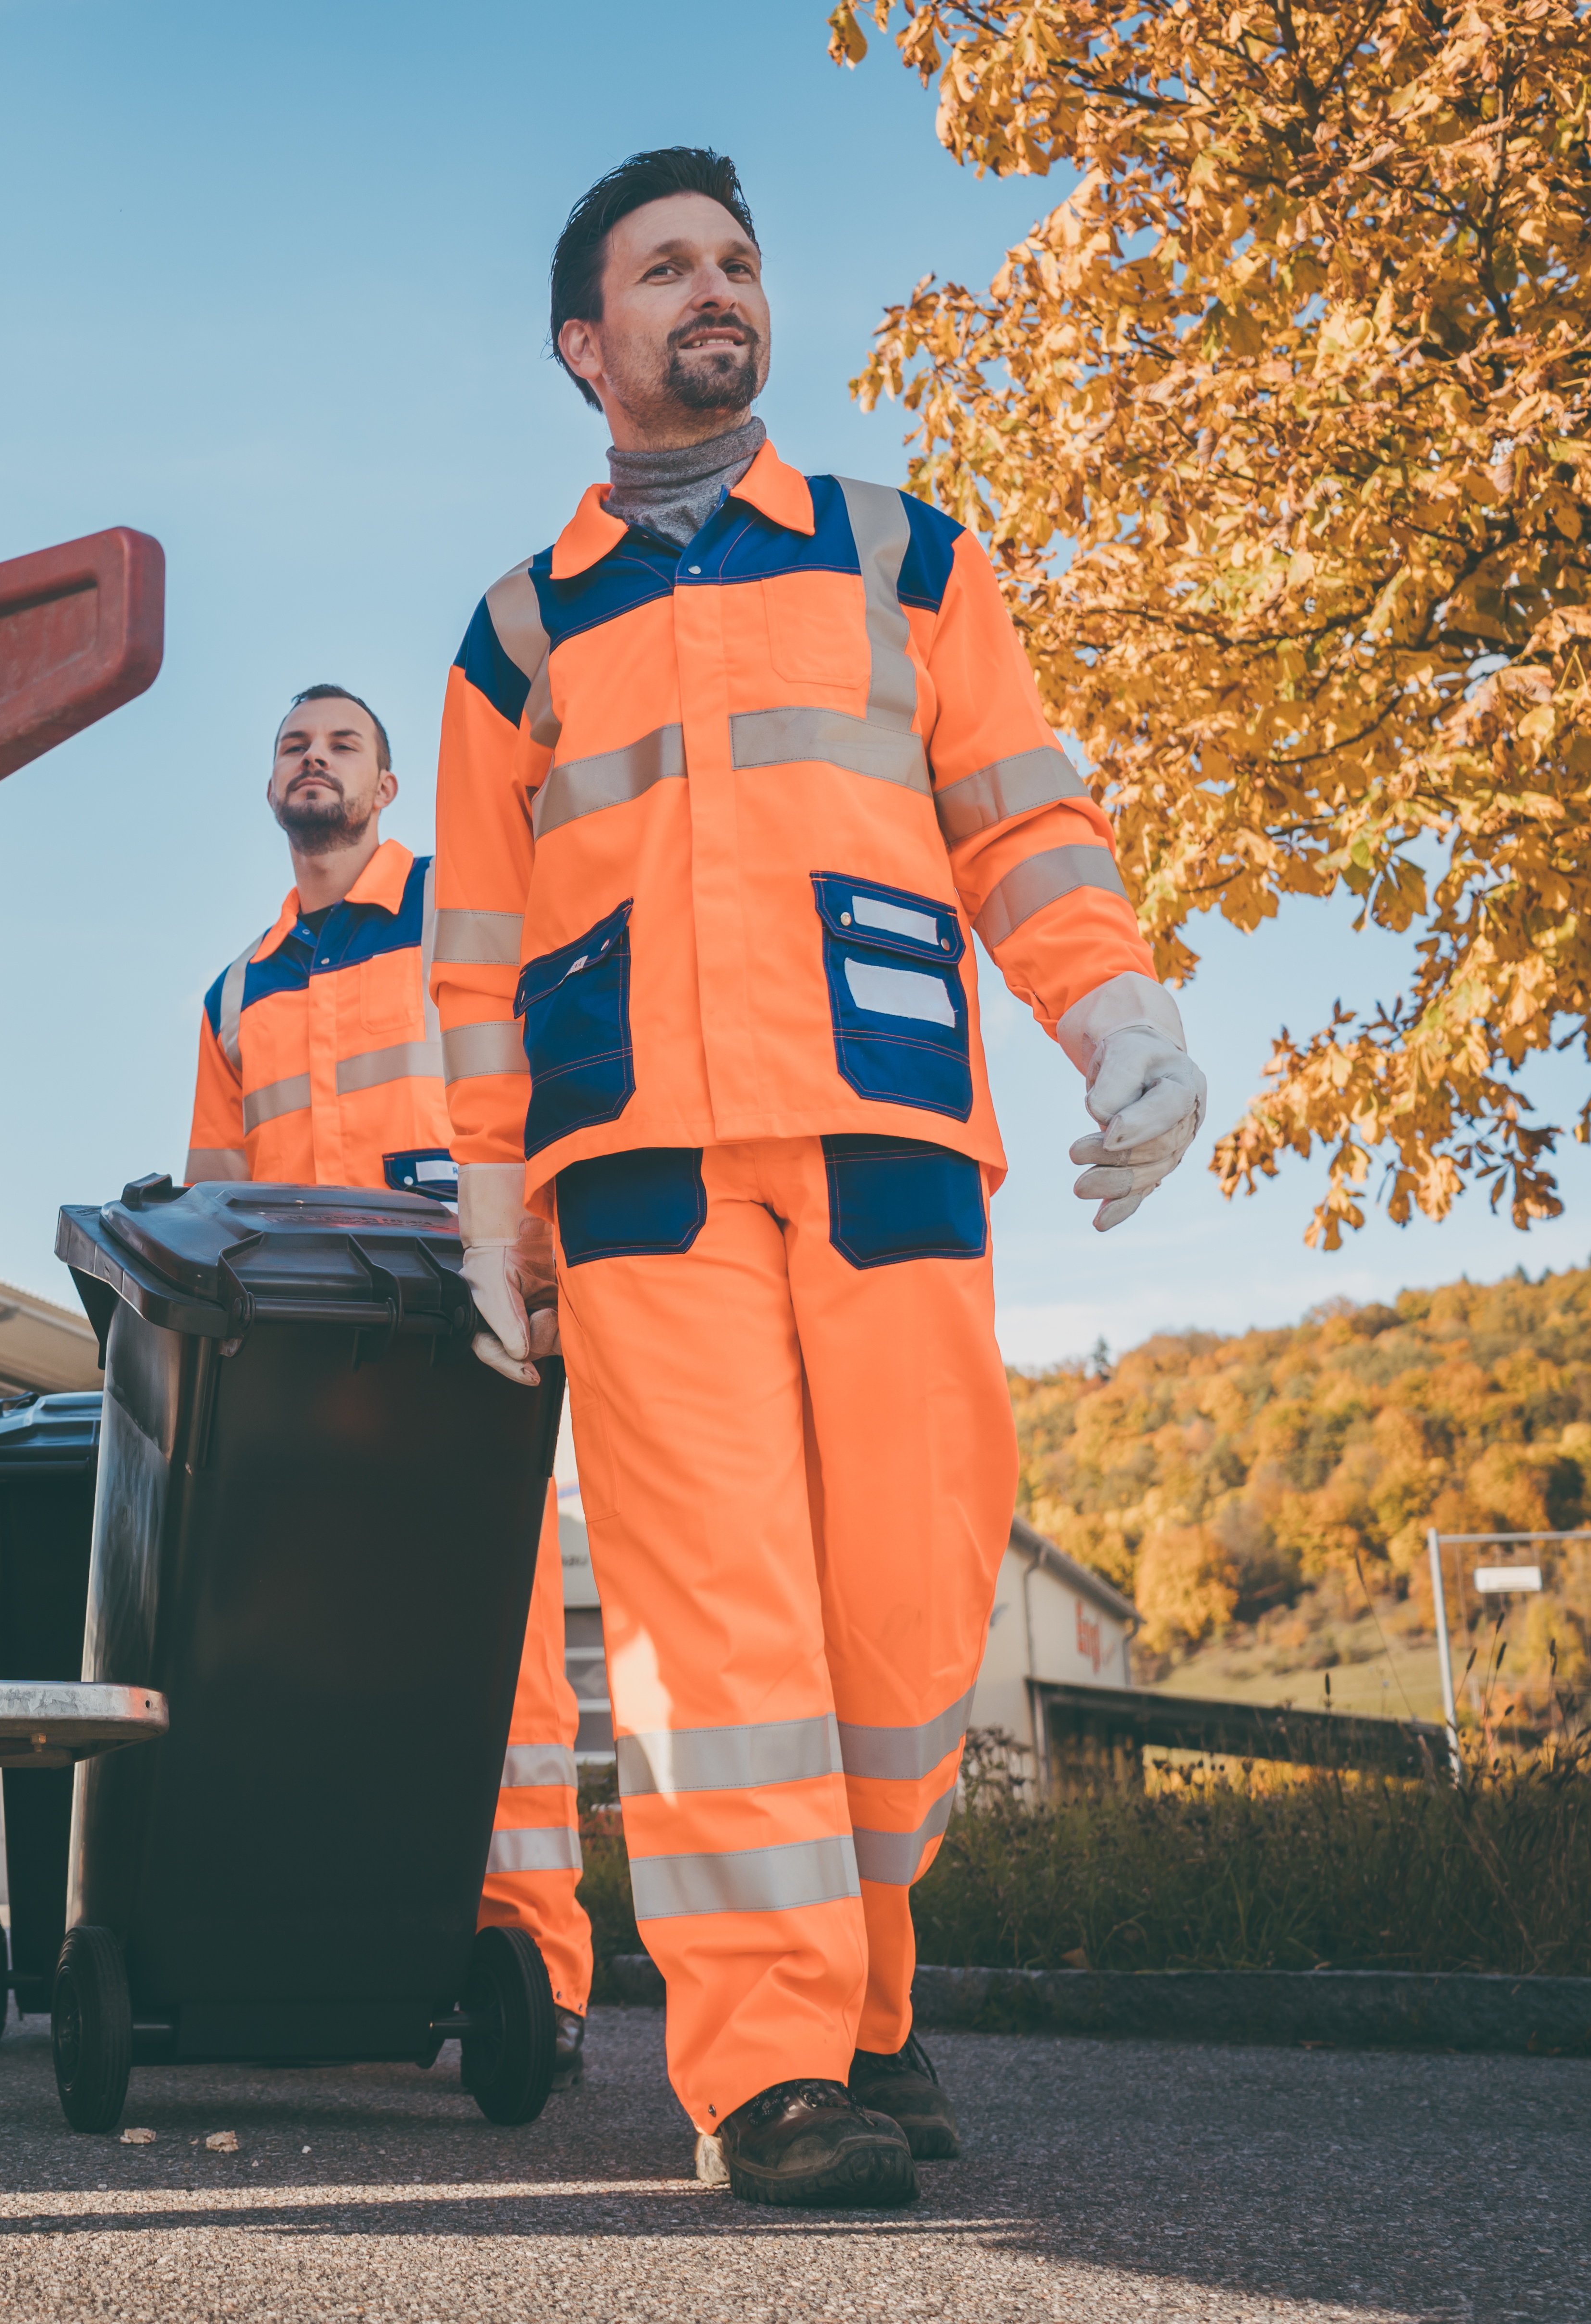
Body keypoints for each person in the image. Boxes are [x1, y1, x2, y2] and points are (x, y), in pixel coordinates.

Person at [428, 148, 1207, 2207]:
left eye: (738, 261)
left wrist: (1112, 1013)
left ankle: (864, 2003)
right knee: (713, 1635)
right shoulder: (515, 637)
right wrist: (485, 1202)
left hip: (883, 1151)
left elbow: (1023, 826)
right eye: (665, 266)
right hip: (641, 1188)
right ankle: (764, 2072)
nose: (716, 287)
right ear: (582, 346)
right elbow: (474, 957)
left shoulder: (906, 560)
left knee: (904, 1617)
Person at [186, 683, 595, 2091]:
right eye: (291, 742)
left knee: (509, 1663)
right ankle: (335, 1954)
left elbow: (545, 1090)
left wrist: (544, 1274)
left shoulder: (463, 924)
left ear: (389, 785)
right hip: (305, 1369)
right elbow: (212, 1197)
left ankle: (530, 1970)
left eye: (340, 745)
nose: (313, 760)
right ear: (268, 785)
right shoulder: (236, 988)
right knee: (316, 1661)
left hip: (463, 1328)